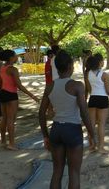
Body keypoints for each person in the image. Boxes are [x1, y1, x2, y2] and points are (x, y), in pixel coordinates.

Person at [39, 50, 95, 189]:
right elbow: (84, 112)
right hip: (72, 130)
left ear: (57, 67)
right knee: (74, 173)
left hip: (56, 129)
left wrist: (45, 136)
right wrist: (92, 134)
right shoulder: (77, 85)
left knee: (57, 172)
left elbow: (41, 113)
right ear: (70, 66)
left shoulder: (50, 86)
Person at [0, 50, 39, 150]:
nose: (17, 57)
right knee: (11, 120)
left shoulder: (2, 67)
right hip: (11, 95)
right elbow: (19, 85)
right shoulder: (13, 69)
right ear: (11, 58)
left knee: (4, 118)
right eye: (15, 55)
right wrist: (32, 96)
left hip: (2, 93)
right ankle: (11, 144)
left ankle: (3, 141)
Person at [86, 53, 109, 154]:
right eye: (103, 60)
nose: (103, 62)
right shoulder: (104, 74)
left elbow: (89, 89)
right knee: (101, 124)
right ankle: (101, 147)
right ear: (100, 62)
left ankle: (91, 146)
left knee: (91, 124)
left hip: (93, 98)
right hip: (102, 99)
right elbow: (108, 91)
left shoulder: (88, 73)